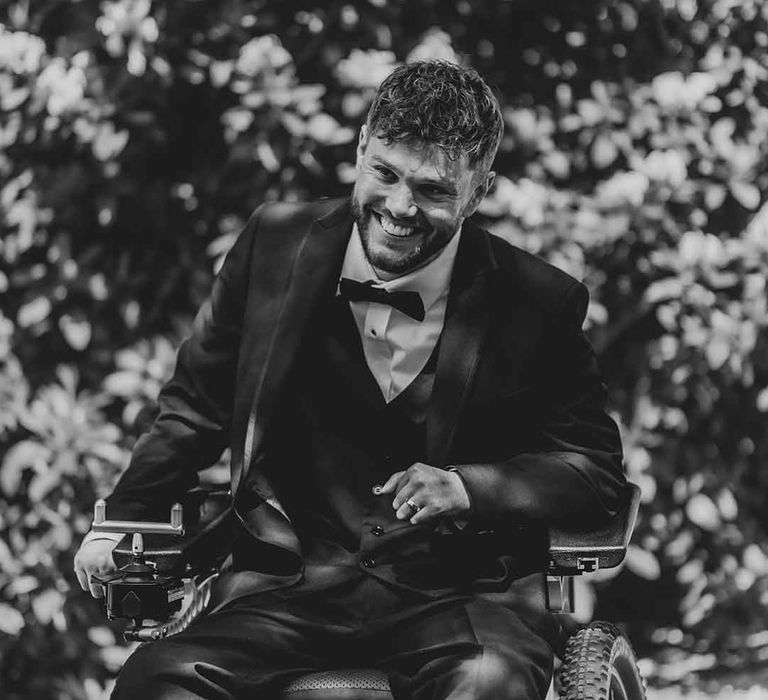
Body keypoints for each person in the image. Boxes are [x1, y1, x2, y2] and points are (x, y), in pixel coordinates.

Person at [74, 60, 627, 700]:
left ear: (479, 191)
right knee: (153, 682)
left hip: (464, 597)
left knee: (489, 687)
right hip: (287, 586)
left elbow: (594, 473)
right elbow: (193, 409)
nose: (399, 206)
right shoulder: (271, 247)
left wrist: (466, 488)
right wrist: (124, 519)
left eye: (433, 190)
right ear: (361, 146)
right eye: (384, 173)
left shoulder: (539, 303)